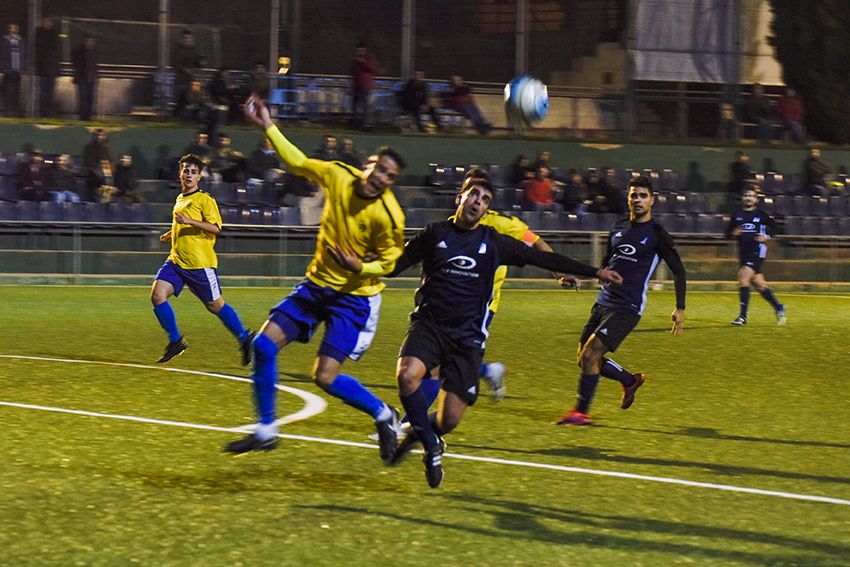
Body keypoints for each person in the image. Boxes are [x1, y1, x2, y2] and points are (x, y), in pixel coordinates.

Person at [374, 177, 621, 487]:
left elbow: (541, 256)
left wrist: (595, 271)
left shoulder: (495, 242)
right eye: (473, 194)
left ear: (487, 209)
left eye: (485, 199)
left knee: (449, 420)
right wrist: (359, 262)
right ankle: (430, 443)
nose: (478, 201)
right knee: (406, 374)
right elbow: (393, 265)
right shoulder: (434, 233)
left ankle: (417, 435)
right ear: (459, 198)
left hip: (467, 338)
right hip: (429, 326)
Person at [224, 94, 407, 460]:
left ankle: (384, 414)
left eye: (390, 176)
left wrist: (360, 267)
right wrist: (268, 125)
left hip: (353, 299)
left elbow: (392, 263)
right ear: (369, 164)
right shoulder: (338, 174)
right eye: (381, 169)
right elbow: (298, 162)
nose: (383, 178)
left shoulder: (390, 216)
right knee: (263, 346)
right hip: (315, 287)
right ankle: (266, 430)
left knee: (324, 377)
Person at [557, 176, 687, 426]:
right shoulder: (618, 226)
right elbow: (607, 261)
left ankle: (580, 413)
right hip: (603, 301)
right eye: (633, 195)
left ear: (652, 200)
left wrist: (680, 307)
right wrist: (589, 275)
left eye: (643, 195)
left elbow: (679, 271)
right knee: (584, 358)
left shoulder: (657, 234)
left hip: (628, 307)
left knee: (591, 353)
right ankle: (630, 380)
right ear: (628, 198)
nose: (637, 200)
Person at [150, 154, 253, 365]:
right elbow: (181, 223)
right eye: (186, 170)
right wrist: (171, 233)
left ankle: (245, 338)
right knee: (157, 295)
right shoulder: (180, 198)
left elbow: (215, 228)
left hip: (199, 264)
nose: (189, 175)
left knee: (215, 306)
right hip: (176, 261)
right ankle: (175, 341)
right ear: (180, 173)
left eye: (193, 172)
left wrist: (188, 221)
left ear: (199, 177)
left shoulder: (205, 199)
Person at [725, 185, 786, 326]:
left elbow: (776, 227)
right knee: (759, 285)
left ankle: (743, 316)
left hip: (757, 252)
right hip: (743, 254)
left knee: (743, 278)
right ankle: (778, 307)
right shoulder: (737, 215)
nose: (748, 198)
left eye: (752, 196)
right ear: (742, 198)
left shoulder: (761, 214)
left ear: (756, 199)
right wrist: (733, 233)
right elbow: (727, 233)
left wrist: (767, 236)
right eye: (746, 195)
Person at [35, 17, 61, 118]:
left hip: (51, 68)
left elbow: (56, 53)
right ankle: (43, 111)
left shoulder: (54, 34)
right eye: (46, 22)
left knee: (50, 92)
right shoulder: (40, 33)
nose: (48, 24)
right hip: (44, 68)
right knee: (44, 92)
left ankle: (48, 111)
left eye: (49, 22)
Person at [351, 41, 377, 129]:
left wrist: (364, 62)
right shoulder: (355, 60)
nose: (360, 53)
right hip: (357, 85)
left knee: (366, 105)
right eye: (358, 51)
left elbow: (373, 69)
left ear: (365, 50)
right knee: (355, 105)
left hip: (366, 85)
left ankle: (367, 124)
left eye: (361, 50)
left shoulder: (369, 58)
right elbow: (353, 72)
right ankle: (356, 123)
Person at [72, 34, 98, 121]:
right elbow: (76, 64)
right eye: (89, 41)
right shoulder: (79, 51)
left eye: (92, 41)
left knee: (89, 98)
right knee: (83, 98)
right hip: (82, 78)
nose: (90, 43)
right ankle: (83, 117)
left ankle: (87, 116)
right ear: (85, 42)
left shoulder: (93, 52)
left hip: (90, 78)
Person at [172, 29, 198, 113]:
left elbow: (195, 63)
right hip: (182, 80)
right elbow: (176, 64)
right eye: (186, 38)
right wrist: (187, 70)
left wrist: (199, 64)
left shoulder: (193, 50)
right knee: (182, 100)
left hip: (193, 80)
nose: (188, 40)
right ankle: (178, 115)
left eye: (189, 38)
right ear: (182, 39)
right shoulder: (178, 50)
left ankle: (191, 116)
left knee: (195, 98)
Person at [1, 23, 24, 117]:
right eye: (12, 28)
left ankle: (15, 109)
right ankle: (8, 109)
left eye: (15, 28)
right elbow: (3, 54)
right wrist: (5, 67)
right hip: (8, 70)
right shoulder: (5, 40)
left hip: (17, 70)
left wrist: (21, 67)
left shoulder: (20, 40)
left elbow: (23, 54)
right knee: (8, 90)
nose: (13, 30)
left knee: (16, 91)